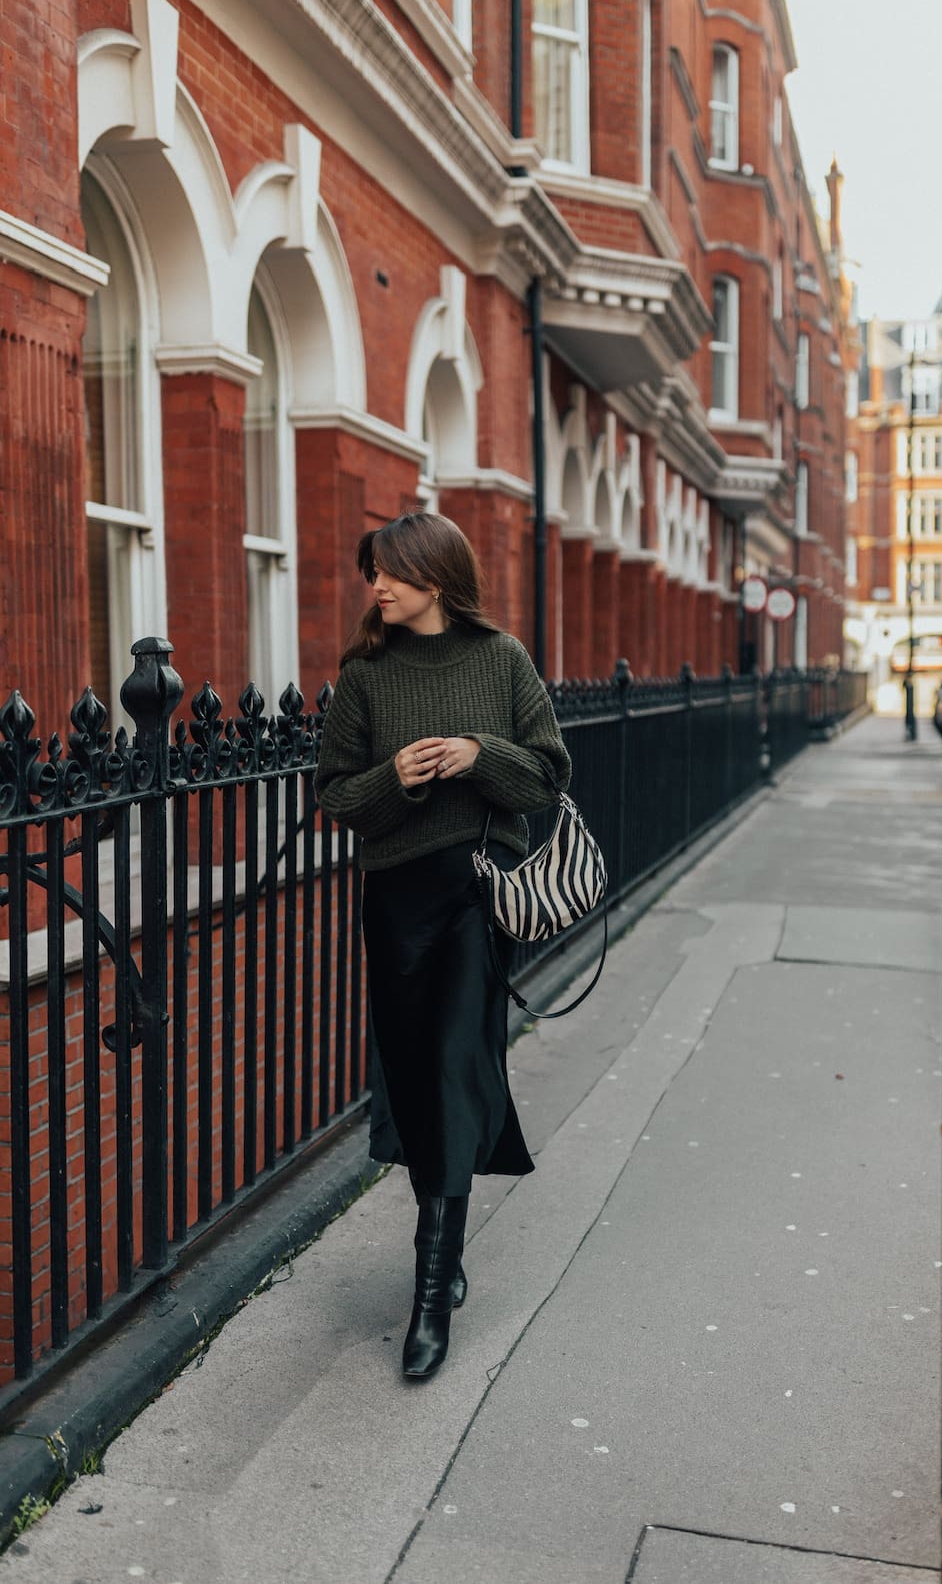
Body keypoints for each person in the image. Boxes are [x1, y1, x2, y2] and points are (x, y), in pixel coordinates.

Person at [315, 511, 572, 1380]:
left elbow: (548, 770)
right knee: (417, 1075)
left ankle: (430, 1292)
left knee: (461, 1064)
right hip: (396, 902)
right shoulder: (366, 677)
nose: (375, 587)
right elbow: (335, 796)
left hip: (475, 896)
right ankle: (444, 1245)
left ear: (435, 577)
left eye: (388, 572)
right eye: (371, 573)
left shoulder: (499, 659)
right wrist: (394, 778)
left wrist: (473, 753)